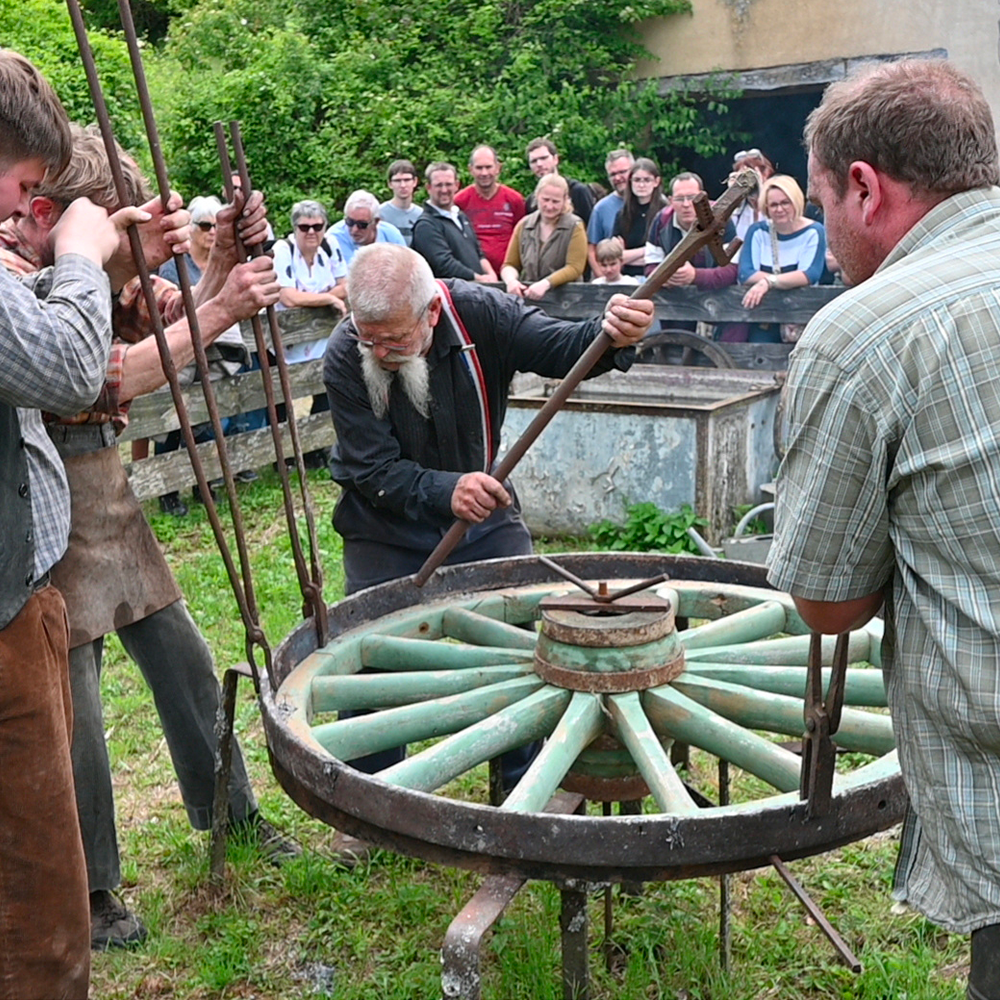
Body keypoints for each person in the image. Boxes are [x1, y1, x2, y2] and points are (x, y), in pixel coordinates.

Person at [0, 122, 294, 953]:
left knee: (184, 659)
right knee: (75, 713)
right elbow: (106, 375)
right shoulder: (20, 278)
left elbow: (175, 323)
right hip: (51, 513)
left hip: (111, 499)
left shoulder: (96, 273)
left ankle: (231, 811)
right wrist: (224, 304)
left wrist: (219, 261)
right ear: (52, 215)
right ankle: (90, 889)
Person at [764, 58, 1000, 1000]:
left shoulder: (864, 331)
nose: (827, 236)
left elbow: (830, 605)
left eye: (822, 203)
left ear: (863, 188)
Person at [322, 244, 653, 788]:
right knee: (372, 658)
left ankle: (522, 784)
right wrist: (446, 490)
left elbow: (561, 347)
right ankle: (366, 793)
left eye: (395, 340)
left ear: (432, 311)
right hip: (382, 522)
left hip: (483, 518)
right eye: (368, 337)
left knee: (521, 648)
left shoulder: (481, 313)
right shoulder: (344, 354)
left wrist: (612, 333)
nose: (379, 353)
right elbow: (370, 466)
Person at [0, 49, 168, 999]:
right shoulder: (26, 258)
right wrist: (81, 257)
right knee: (41, 877)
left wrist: (133, 262)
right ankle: (87, 910)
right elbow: (81, 372)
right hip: (23, 572)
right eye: (24, 184)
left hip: (52, 546)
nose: (18, 209)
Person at [155, 194, 253, 512]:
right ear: (191, 229)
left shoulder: (224, 265)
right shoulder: (173, 267)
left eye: (215, 226)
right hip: (182, 354)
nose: (211, 231)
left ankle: (205, 484)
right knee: (173, 423)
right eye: (204, 225)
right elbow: (169, 314)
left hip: (215, 354)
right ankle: (168, 491)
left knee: (210, 421)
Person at [737, 174, 825, 343]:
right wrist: (787, 280)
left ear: (796, 202)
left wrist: (767, 282)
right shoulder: (757, 231)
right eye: (773, 205)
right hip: (764, 317)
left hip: (801, 316)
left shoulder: (814, 231)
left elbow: (809, 274)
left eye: (785, 202)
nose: (779, 209)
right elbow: (746, 273)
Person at [500, 173, 586, 299]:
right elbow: (510, 264)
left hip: (566, 299)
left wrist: (546, 283)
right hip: (529, 297)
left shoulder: (575, 226)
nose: (549, 206)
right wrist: (511, 281)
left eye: (555, 201)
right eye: (545, 199)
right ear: (537, 196)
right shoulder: (524, 225)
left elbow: (575, 267)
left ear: (565, 200)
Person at [411, 162, 497, 281]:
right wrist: (478, 278)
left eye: (448, 184)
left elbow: (478, 253)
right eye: (438, 185)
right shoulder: (425, 225)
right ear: (429, 188)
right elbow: (444, 264)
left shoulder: (461, 217)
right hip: (452, 290)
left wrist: (491, 274)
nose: (444, 190)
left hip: (475, 288)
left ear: (457, 185)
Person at [455, 145, 525, 275]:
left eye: (488, 167)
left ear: (498, 168)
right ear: (470, 169)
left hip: (508, 274)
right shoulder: (460, 201)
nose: (484, 173)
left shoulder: (514, 199)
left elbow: (522, 237)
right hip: (474, 273)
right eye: (479, 168)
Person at [612, 158, 667, 278]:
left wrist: (629, 255)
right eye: (637, 180)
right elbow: (616, 257)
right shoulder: (622, 215)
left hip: (657, 277)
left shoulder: (666, 213)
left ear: (656, 182)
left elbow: (666, 255)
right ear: (630, 182)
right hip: (627, 278)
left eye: (647, 180)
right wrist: (649, 251)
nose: (641, 185)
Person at [524, 137, 595, 225]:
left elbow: (592, 227)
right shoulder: (532, 201)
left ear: (555, 159)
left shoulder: (577, 191)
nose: (539, 164)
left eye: (543, 158)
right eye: (534, 161)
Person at [329, 189, 406, 267]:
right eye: (350, 222)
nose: (354, 229)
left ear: (375, 222)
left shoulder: (392, 236)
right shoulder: (334, 237)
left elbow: (405, 266)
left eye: (362, 224)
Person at [587, 149, 634, 271]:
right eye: (613, 174)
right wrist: (604, 278)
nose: (617, 178)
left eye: (623, 172)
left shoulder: (655, 203)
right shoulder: (601, 209)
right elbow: (592, 250)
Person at [728, 149, 775, 241]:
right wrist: (732, 194)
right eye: (742, 176)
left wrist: (760, 186)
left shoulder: (775, 203)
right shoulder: (738, 210)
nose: (747, 181)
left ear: (765, 174)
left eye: (750, 175)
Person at [379, 160, 423, 245]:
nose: (403, 185)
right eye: (397, 181)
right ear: (390, 184)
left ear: (415, 182)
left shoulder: (421, 215)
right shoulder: (380, 214)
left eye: (407, 180)